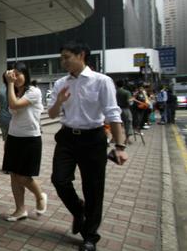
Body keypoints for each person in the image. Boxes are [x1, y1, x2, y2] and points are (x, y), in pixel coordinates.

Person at [48, 41, 128, 251]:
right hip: (67, 137)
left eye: (67, 57)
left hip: (93, 139)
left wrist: (120, 146)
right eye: (62, 58)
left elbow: (113, 113)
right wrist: (59, 101)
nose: (63, 62)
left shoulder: (102, 81)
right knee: (59, 179)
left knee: (93, 188)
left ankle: (90, 236)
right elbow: (52, 114)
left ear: (81, 55)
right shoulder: (60, 84)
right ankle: (78, 209)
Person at [2, 62, 47, 221]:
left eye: (18, 73)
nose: (16, 77)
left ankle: (39, 195)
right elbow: (12, 110)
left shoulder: (33, 92)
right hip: (14, 137)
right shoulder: (13, 92)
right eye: (13, 74)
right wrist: (11, 86)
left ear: (25, 74)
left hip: (30, 139)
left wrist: (10, 84)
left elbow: (14, 105)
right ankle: (20, 209)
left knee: (23, 177)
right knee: (14, 176)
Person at [115, 80, 134, 144]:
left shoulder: (114, 92)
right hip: (125, 109)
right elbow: (129, 102)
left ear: (116, 85)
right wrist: (132, 100)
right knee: (128, 123)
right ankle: (127, 139)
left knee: (117, 124)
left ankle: (114, 138)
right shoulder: (127, 92)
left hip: (116, 110)